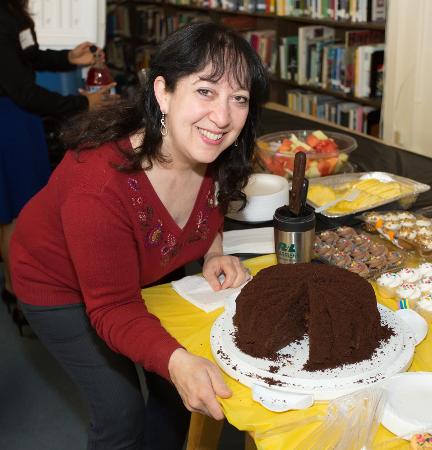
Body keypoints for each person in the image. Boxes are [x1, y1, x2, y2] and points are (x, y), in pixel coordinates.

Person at [10, 21, 269, 449]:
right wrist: (176, 361)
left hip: (138, 270)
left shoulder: (212, 147)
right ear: (164, 92)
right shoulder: (97, 185)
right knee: (121, 411)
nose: (222, 117)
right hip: (57, 284)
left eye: (238, 98)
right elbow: (112, 306)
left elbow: (209, 206)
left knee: (177, 390)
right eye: (205, 90)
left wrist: (212, 250)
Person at [0, 0, 116, 314]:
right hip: (8, 120)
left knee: (25, 205)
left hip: (20, 118)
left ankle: (18, 286)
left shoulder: (15, 11)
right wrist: (82, 106)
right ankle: (16, 292)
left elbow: (27, 56)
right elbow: (21, 90)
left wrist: (68, 58)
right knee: (14, 209)